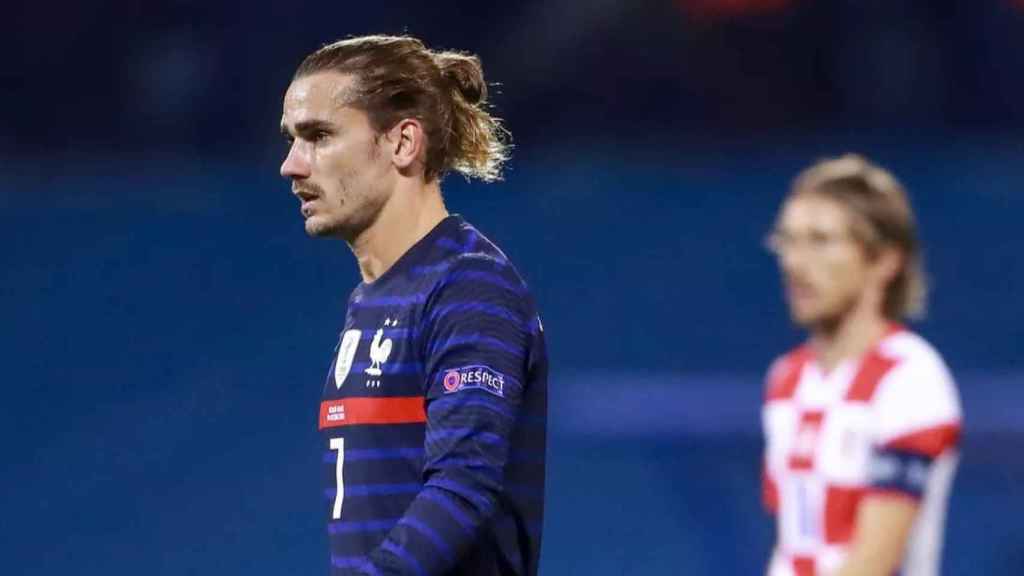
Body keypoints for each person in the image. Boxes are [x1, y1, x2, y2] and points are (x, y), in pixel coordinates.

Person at [279, 35, 547, 575]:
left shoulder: (468, 285)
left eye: (319, 137)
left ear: (403, 143)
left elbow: (463, 487)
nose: (291, 165)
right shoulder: (375, 299)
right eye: (292, 140)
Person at [761, 154, 962, 576]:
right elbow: (793, 547)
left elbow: (873, 563)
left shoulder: (909, 379)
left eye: (820, 240)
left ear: (885, 260)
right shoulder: (786, 379)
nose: (795, 263)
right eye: (788, 240)